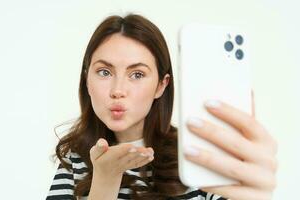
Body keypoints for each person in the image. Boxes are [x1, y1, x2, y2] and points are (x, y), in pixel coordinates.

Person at [46, 14, 277, 200]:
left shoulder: (196, 157)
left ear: (161, 85)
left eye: (137, 74)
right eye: (104, 72)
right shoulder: (74, 160)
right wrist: (105, 181)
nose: (118, 90)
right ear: (87, 79)